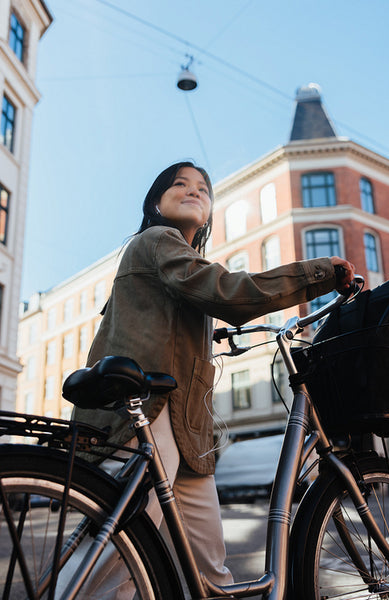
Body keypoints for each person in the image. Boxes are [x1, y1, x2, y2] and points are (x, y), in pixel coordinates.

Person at [73, 160, 355, 588]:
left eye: (202, 188)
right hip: (148, 415)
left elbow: (177, 314)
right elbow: (226, 292)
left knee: (209, 572)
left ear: (209, 209)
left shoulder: (182, 260)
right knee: (122, 561)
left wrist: (215, 334)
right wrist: (316, 274)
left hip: (186, 433)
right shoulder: (157, 240)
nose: (193, 190)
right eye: (179, 184)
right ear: (156, 201)